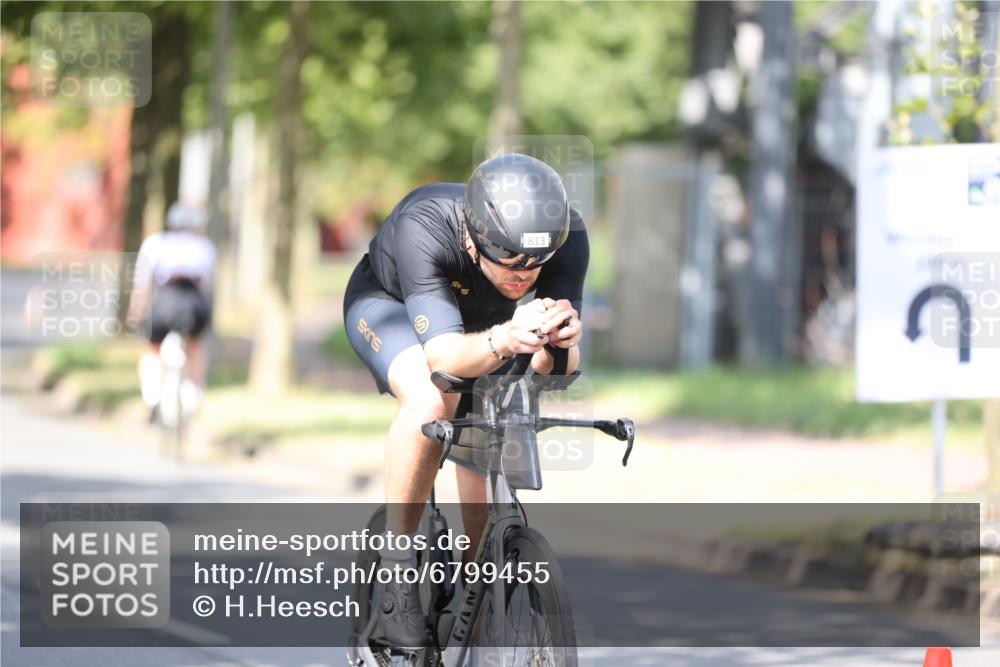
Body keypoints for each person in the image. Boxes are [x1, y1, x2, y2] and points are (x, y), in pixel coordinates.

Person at [343, 153, 588, 647]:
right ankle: (396, 567)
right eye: (510, 258)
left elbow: (552, 373)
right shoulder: (426, 225)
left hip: (485, 322)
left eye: (535, 262)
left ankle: (476, 603)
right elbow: (443, 362)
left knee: (494, 431)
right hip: (390, 308)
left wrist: (561, 344)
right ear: (473, 240)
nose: (525, 274)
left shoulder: (564, 237)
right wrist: (504, 340)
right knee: (433, 400)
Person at [128, 202, 216, 422]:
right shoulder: (204, 246)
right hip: (194, 303)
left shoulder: (156, 243)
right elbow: (208, 285)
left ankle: (152, 400)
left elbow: (142, 284)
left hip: (165, 300)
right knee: (196, 347)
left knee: (153, 348)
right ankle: (193, 398)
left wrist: (135, 312)